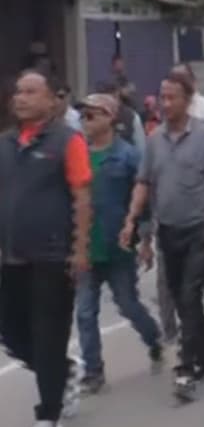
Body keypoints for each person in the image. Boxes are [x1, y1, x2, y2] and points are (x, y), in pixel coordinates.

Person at [122, 72, 204, 401]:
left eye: (173, 97)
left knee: (188, 296)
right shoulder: (154, 140)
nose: (165, 103)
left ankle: (185, 369)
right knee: (182, 297)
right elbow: (144, 183)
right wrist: (131, 221)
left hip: (199, 229)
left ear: (188, 100)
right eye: (162, 97)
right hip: (167, 232)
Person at [0, 70, 93, 427]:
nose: (20, 98)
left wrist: (80, 249)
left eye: (30, 91)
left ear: (52, 99)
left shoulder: (67, 141)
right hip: (11, 256)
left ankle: (48, 415)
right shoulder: (5, 144)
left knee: (48, 333)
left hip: (53, 257)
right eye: (17, 91)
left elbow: (82, 197)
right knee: (11, 331)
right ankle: (64, 370)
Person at [75, 93, 163, 395]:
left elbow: (144, 203)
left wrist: (145, 239)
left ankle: (153, 339)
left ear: (110, 118)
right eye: (83, 116)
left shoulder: (127, 156)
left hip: (118, 246)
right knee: (85, 313)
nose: (86, 122)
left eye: (92, 115)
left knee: (127, 303)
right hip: (86, 247)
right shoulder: (78, 156)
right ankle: (93, 371)